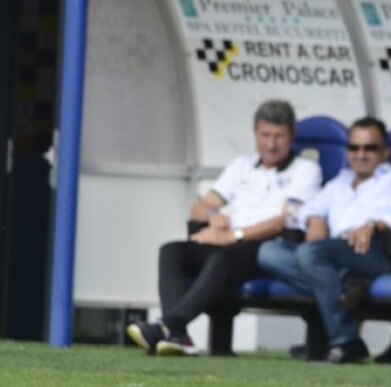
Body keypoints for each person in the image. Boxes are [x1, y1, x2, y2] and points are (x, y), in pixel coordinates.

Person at [127, 100, 322, 355]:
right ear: (255, 134)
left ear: (291, 136)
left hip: (265, 246)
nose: (271, 144)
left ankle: (170, 325)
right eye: (265, 135)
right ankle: (176, 335)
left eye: (278, 136)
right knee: (172, 250)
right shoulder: (242, 165)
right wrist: (213, 215)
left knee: (222, 258)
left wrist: (233, 235)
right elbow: (200, 207)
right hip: (227, 240)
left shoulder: (306, 170)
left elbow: (283, 221)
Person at [257, 117, 391, 363]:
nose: (360, 154)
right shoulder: (340, 182)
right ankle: (344, 287)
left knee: (310, 254)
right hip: (333, 253)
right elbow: (305, 210)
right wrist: (314, 218)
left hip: (376, 250)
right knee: (268, 251)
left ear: (385, 151)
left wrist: (374, 224)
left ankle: (345, 339)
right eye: (354, 148)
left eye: (369, 148)